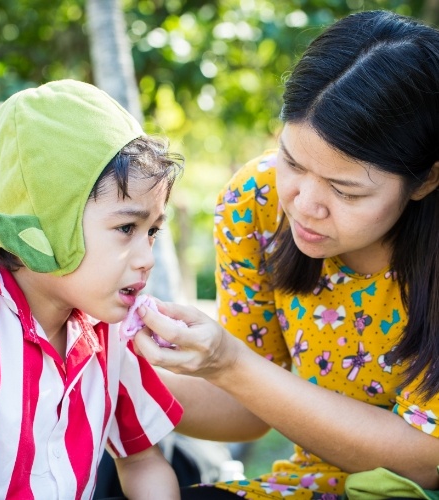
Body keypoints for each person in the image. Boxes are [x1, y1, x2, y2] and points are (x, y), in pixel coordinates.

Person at [133, 10, 439, 499]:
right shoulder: (256, 203)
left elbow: (427, 462)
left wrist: (230, 363)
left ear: (426, 179)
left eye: (346, 191)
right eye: (292, 162)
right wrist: (111, 375)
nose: (303, 203)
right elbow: (251, 408)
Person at [0, 79, 186, 499]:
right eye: (126, 228)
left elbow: (143, 460)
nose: (147, 257)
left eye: (152, 232)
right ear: (47, 224)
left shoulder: (110, 334)